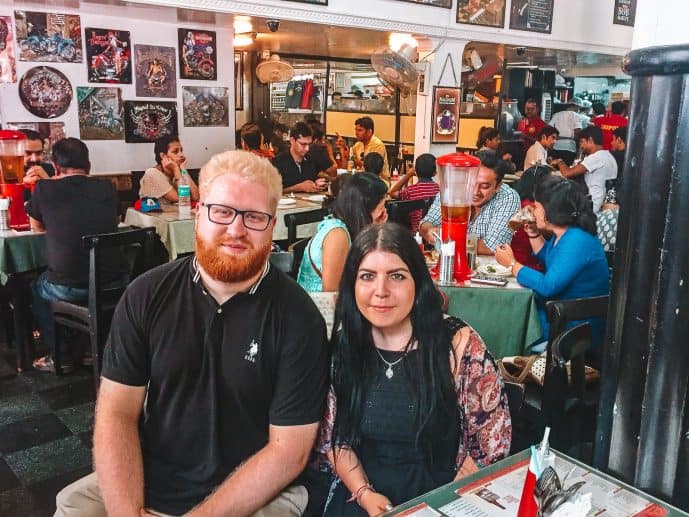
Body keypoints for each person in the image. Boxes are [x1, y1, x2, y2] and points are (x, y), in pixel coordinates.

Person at [55, 150, 329, 516]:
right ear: (199, 213)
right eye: (222, 211)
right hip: (155, 471)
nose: (236, 229)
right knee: (70, 506)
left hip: (258, 487)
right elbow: (117, 412)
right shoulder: (147, 294)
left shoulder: (298, 317)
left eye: (254, 217)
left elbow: (288, 452)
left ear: (272, 224)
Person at [318, 223, 511, 516]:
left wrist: (445, 505)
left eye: (396, 276)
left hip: (444, 495)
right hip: (360, 495)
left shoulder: (458, 344)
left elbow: (489, 446)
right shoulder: (345, 344)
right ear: (352, 285)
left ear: (418, 282)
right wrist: (365, 495)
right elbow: (335, 437)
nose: (380, 291)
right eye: (367, 276)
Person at [27, 138, 127, 373]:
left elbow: (37, 227)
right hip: (116, 282)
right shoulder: (107, 187)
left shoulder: (44, 188)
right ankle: (89, 351)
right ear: (88, 164)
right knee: (69, 278)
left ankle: (59, 355)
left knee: (37, 286)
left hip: (70, 288)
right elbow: (117, 220)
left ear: (55, 165)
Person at [495, 176, 609, 350]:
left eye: (537, 206)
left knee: (509, 322)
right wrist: (533, 233)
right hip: (559, 313)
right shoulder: (563, 234)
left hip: (572, 326)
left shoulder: (577, 240)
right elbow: (551, 260)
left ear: (551, 211)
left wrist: (512, 265)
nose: (534, 210)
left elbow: (548, 286)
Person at [298, 172, 388, 292]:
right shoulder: (337, 235)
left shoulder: (348, 227)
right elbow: (332, 294)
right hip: (318, 308)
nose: (385, 212)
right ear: (364, 209)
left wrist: (375, 230)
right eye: (382, 206)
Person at [420, 152, 520, 255]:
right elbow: (426, 223)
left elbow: (493, 247)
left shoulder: (507, 197)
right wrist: (429, 230)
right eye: (471, 183)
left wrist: (446, 237)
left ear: (498, 186)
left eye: (484, 186)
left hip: (486, 267)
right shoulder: (453, 188)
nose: (475, 192)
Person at [553, 126, 617, 213]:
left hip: (592, 205)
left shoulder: (596, 157)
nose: (581, 146)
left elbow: (567, 173)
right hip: (602, 204)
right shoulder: (608, 156)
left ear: (590, 140)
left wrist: (559, 161)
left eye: (582, 142)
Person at [139, 134, 200, 203]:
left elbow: (196, 198)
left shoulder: (176, 173)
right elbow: (183, 200)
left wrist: (183, 169)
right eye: (175, 152)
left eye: (181, 150)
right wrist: (176, 169)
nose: (182, 155)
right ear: (163, 156)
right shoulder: (152, 174)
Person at [389, 153, 440, 234]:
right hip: (433, 234)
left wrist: (408, 174)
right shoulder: (438, 190)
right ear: (435, 172)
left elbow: (392, 192)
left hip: (415, 235)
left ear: (415, 171)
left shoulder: (410, 191)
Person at [272, 122, 328, 194]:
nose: (307, 148)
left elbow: (315, 179)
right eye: (303, 144)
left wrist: (316, 184)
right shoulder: (278, 162)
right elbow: (272, 192)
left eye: (309, 144)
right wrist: (299, 187)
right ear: (292, 141)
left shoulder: (311, 160)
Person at [549, 99, 589, 165]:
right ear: (575, 106)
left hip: (555, 147)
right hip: (569, 148)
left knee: (554, 168)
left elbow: (549, 129)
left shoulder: (556, 115)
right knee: (566, 169)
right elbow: (577, 132)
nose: (578, 110)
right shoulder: (576, 116)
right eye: (578, 108)